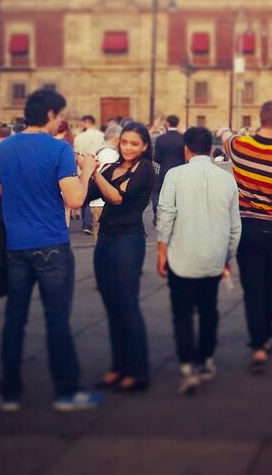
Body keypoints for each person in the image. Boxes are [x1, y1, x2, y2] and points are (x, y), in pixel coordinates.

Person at [0, 88, 102, 412]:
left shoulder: (3, 150)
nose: (61, 121)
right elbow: (76, 200)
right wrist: (87, 171)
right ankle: (66, 391)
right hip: (51, 244)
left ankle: (9, 392)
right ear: (50, 115)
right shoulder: (58, 150)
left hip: (15, 246)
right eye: (60, 115)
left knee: (14, 319)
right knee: (56, 320)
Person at [157, 126, 241, 395]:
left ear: (186, 149)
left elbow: (166, 214)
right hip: (214, 256)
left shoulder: (174, 175)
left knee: (181, 313)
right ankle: (205, 359)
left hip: (181, 255)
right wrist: (228, 256)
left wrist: (161, 251)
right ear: (211, 148)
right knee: (209, 310)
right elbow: (235, 226)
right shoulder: (227, 179)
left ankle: (186, 365)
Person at [224, 100, 272, 373]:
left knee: (252, 289)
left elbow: (225, 137)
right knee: (270, 286)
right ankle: (266, 335)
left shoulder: (238, 145)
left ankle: (258, 344)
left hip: (246, 228)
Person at [89, 122, 155, 392]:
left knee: (127, 304)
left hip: (129, 240)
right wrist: (83, 171)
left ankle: (137, 370)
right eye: (124, 142)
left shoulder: (146, 169)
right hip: (105, 238)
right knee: (112, 306)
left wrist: (94, 173)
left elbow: (116, 197)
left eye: (134, 144)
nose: (128, 147)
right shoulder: (109, 168)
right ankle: (118, 366)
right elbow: (87, 195)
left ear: (144, 146)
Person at [87, 124, 123, 239]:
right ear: (117, 138)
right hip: (103, 202)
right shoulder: (109, 153)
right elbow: (111, 178)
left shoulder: (102, 151)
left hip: (99, 202)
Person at [152, 114, 185, 223]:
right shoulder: (183, 138)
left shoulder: (160, 139)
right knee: (177, 194)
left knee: (159, 192)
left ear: (167, 124)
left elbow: (156, 158)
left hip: (164, 170)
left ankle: (158, 212)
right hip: (180, 171)